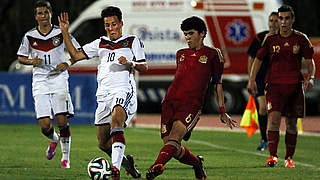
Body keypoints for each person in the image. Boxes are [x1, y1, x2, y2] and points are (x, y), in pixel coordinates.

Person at [57, 6, 148, 180]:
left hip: (123, 90)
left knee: (116, 122)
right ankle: (126, 163)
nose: (111, 28)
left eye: (114, 24)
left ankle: (115, 170)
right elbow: (75, 55)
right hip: (103, 95)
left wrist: (130, 62)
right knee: (103, 143)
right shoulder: (100, 43)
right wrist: (65, 32)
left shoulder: (132, 41)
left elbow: (144, 66)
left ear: (121, 24)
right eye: (107, 25)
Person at [145, 16, 237, 180]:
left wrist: (222, 110)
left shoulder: (213, 54)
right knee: (171, 145)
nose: (187, 37)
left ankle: (156, 167)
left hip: (191, 105)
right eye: (185, 34)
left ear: (202, 33)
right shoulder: (180, 54)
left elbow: (218, 84)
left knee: (173, 139)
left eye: (190, 33)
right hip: (169, 102)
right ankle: (197, 163)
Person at [247, 5, 315, 168]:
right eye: (280, 18)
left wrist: (310, 77)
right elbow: (258, 59)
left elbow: (309, 59)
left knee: (291, 123)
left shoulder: (301, 39)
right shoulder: (270, 39)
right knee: (274, 119)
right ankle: (273, 156)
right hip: (274, 86)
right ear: (278, 20)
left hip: (295, 87)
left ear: (292, 20)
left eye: (286, 18)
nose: (283, 22)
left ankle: (289, 158)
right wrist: (252, 80)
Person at [16, 0, 79, 168]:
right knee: (45, 126)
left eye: (46, 12)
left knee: (61, 120)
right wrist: (31, 61)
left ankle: (65, 157)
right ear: (36, 16)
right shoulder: (30, 36)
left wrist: (67, 63)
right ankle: (54, 139)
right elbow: (21, 57)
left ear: (51, 14)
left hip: (59, 78)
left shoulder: (61, 32)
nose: (43, 16)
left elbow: (78, 52)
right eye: (40, 13)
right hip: (40, 80)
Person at [247, 12, 279, 151]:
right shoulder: (260, 38)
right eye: (271, 20)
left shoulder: (284, 39)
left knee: (276, 112)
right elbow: (251, 59)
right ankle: (264, 139)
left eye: (276, 21)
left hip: (278, 79)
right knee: (262, 107)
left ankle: (274, 140)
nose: (273, 23)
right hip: (261, 78)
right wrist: (251, 79)